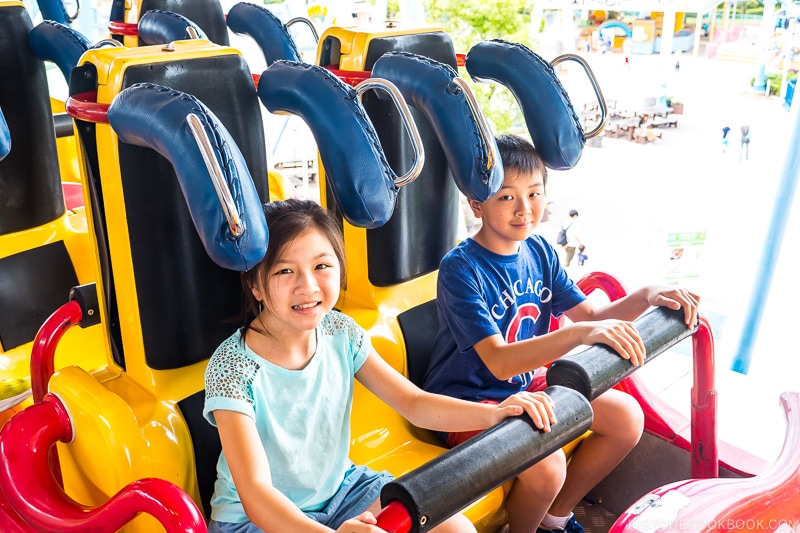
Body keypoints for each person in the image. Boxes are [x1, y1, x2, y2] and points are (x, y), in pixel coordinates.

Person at [203, 198, 556, 533]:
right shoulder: (233, 369)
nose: (307, 286)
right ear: (255, 286)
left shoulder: (340, 333)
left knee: (456, 527)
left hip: (343, 491)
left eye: (321, 266)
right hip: (257, 520)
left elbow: (414, 404)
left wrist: (495, 415)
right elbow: (255, 494)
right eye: (284, 270)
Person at [423, 134, 700, 533]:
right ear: (476, 204)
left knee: (626, 418)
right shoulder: (461, 269)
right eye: (506, 197)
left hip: (526, 387)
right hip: (470, 399)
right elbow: (500, 363)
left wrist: (646, 295)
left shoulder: (539, 252)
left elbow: (592, 314)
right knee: (547, 465)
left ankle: (555, 518)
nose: (524, 209)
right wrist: (579, 335)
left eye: (534, 194)